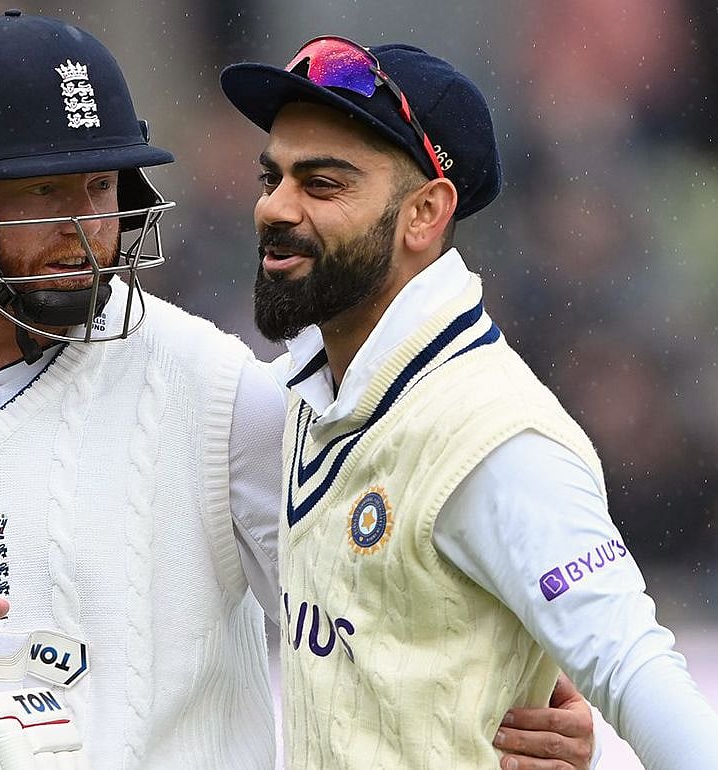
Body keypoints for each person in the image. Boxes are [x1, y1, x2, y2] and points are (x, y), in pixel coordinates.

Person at [0, 12, 594, 770]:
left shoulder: (222, 392)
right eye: (42, 191)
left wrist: (508, 687)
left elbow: (374, 620)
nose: (86, 230)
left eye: (100, 186)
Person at [215, 35, 718, 769]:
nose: (275, 208)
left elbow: (634, 669)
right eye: (273, 176)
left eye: (323, 184)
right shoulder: (306, 397)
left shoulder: (495, 437)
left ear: (425, 214)